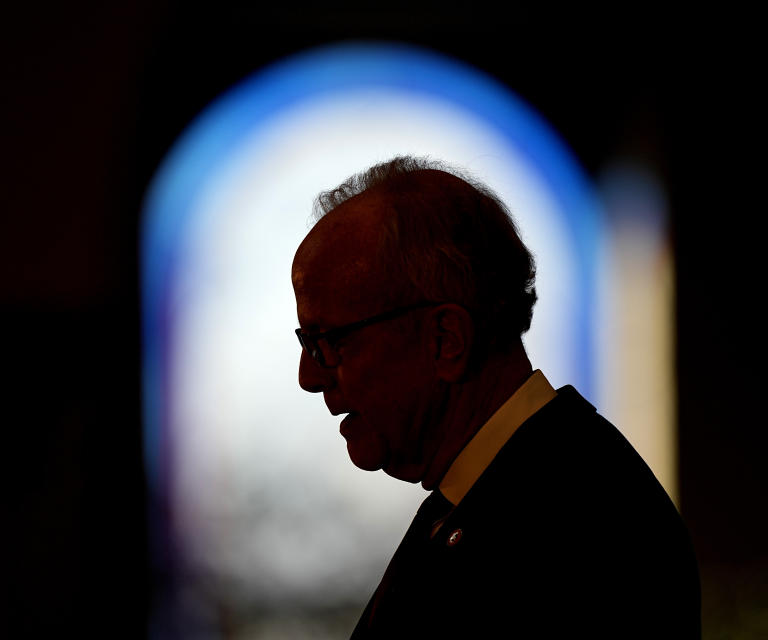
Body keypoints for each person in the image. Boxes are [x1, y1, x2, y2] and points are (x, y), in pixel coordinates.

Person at [291, 156, 700, 638]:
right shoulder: (515, 490)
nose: (309, 376)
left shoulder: (576, 526)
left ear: (446, 339)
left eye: (329, 342)